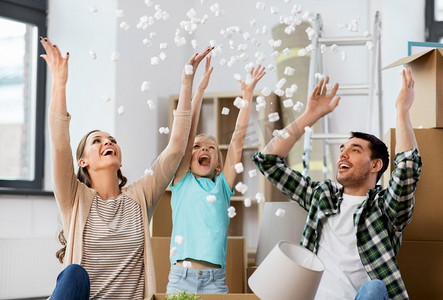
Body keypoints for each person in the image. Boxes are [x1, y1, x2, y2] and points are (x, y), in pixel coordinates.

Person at [40, 36, 212, 299]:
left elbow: (177, 149)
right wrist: (60, 83)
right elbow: (60, 144)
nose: (107, 142)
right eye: (96, 141)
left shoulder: (141, 196)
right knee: (73, 273)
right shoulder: (74, 199)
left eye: (112, 140)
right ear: (83, 161)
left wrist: (186, 83)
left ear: (119, 158)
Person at [253, 68, 422, 300]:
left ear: (375, 166)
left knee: (376, 289)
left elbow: (407, 170)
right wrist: (309, 116)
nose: (343, 155)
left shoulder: (385, 208)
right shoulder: (323, 195)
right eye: (342, 150)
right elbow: (268, 162)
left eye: (355, 150)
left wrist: (402, 111)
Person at [166, 61, 266, 295]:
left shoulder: (221, 187)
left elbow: (237, 142)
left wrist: (247, 96)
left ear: (219, 165)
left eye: (211, 148)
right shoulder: (182, 181)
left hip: (215, 281)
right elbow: (186, 133)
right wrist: (199, 91)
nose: (204, 150)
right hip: (182, 277)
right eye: (197, 147)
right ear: (187, 159)